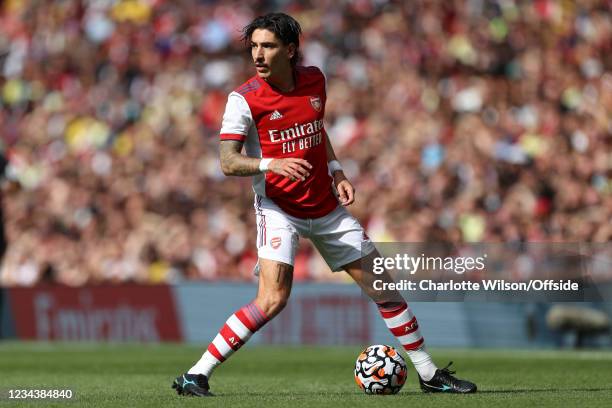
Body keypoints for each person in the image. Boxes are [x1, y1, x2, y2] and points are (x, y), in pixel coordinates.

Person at [172, 12, 477, 397]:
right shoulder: (243, 99)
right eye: (254, 47)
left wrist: (336, 170)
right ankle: (196, 375)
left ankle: (430, 375)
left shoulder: (315, 80)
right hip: (278, 208)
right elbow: (227, 161)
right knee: (272, 299)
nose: (258, 55)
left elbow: (316, 128)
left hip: (326, 207)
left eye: (267, 46)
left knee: (383, 287)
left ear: (291, 50)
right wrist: (271, 163)